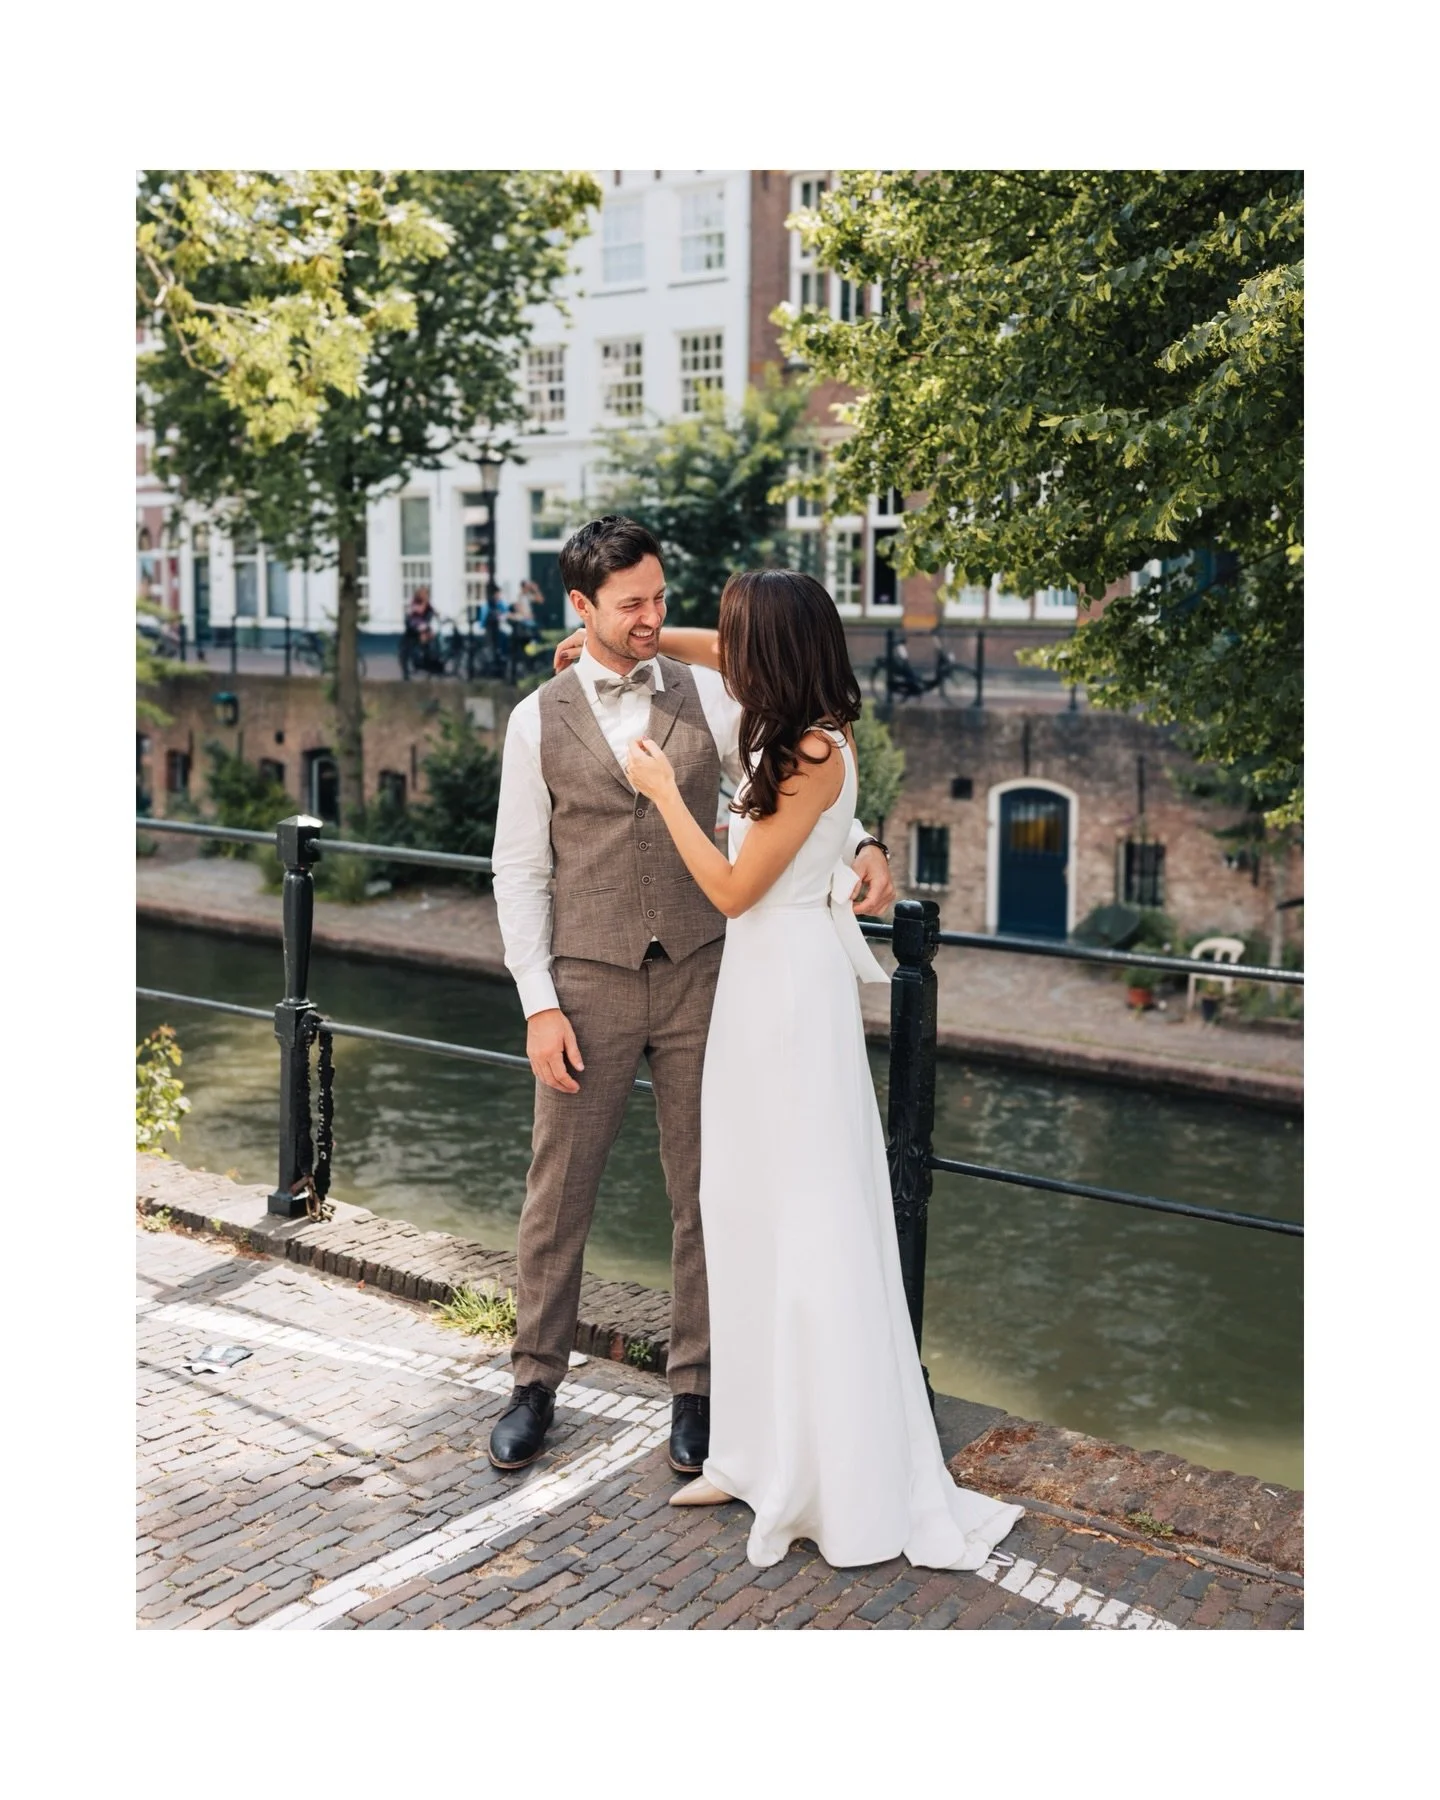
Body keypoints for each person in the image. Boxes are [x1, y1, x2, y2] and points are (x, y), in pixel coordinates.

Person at [624, 568, 1023, 1571]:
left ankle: (825, 1470)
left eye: (735, 634)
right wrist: (644, 640)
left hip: (790, 999)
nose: (720, 645)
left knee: (805, 1224)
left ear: (771, 651)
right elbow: (712, 649)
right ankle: (752, 1454)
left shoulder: (810, 752)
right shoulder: (790, 718)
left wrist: (665, 795)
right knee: (742, 1211)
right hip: (756, 992)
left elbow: (731, 889)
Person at [487, 518, 894, 1478]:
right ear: (580, 606)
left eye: (660, 598)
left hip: (709, 975)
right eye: (631, 603)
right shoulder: (533, 719)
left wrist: (862, 840)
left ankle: (698, 1390)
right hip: (585, 982)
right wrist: (538, 1002)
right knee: (558, 1191)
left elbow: (787, 777)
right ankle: (534, 1381)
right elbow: (519, 871)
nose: (651, 616)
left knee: (706, 1192)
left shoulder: (710, 692)